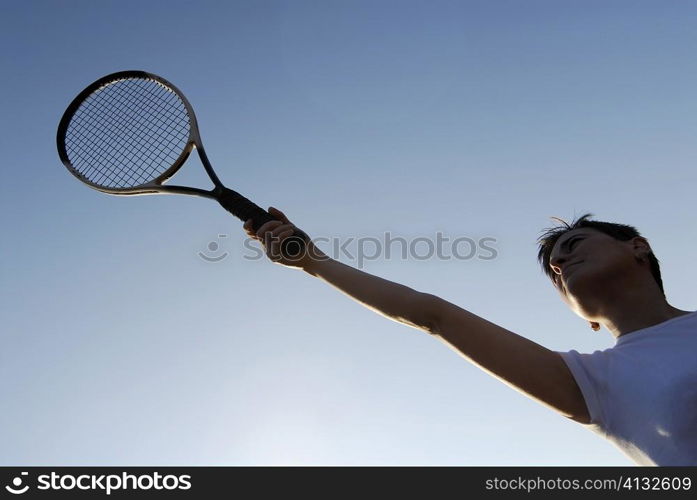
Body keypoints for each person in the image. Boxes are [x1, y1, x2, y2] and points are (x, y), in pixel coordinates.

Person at [243, 208, 696, 466]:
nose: (560, 265)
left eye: (573, 246)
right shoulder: (595, 384)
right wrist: (314, 261)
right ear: (583, 317)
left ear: (638, 246)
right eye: (554, 274)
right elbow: (432, 314)